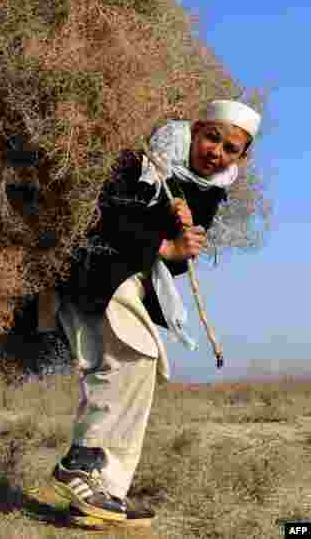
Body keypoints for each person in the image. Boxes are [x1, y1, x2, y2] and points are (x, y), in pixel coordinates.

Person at [48, 100, 261, 527]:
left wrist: (181, 249)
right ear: (196, 130)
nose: (216, 151)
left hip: (133, 283)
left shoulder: (209, 188)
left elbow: (176, 261)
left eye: (230, 148)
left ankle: (102, 493)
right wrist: (164, 242)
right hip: (98, 272)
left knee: (140, 368)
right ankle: (80, 465)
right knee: (132, 358)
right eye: (212, 137)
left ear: (241, 157)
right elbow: (102, 214)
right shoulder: (145, 157)